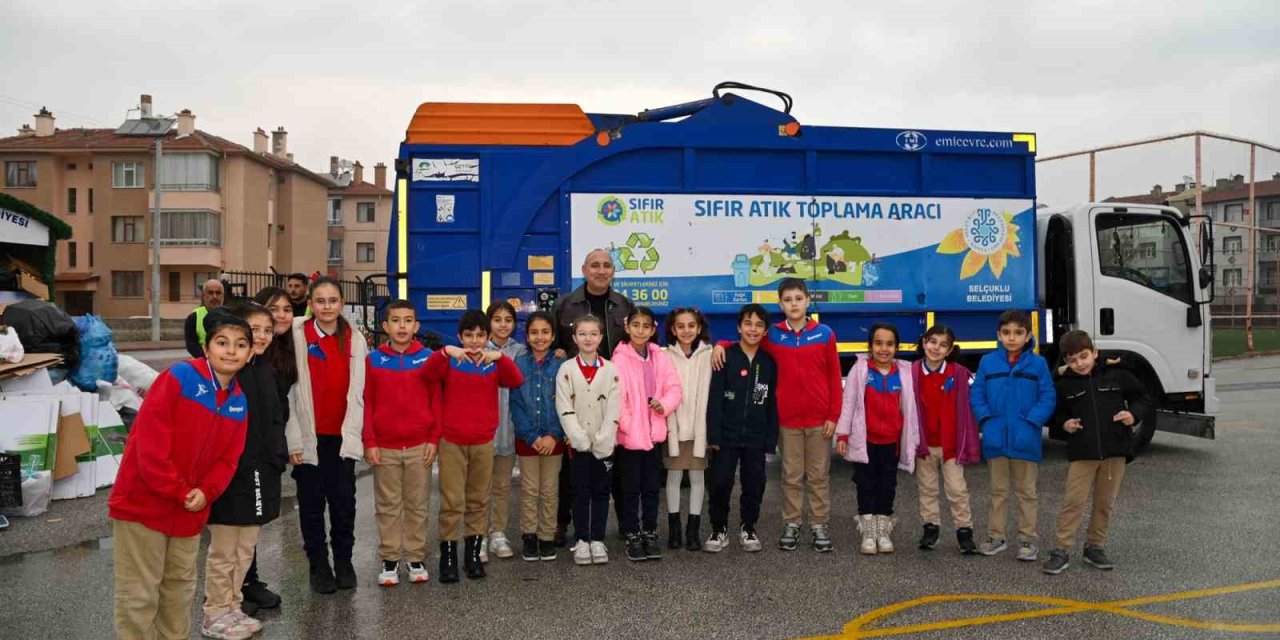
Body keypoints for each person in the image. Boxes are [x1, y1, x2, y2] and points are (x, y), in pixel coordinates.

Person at [109, 310, 251, 640]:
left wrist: (206, 491)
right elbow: (150, 443)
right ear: (206, 347)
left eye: (240, 344)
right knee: (139, 596)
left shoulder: (239, 401)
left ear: (250, 352)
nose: (231, 351)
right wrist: (178, 489)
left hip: (190, 512)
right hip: (142, 506)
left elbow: (229, 459)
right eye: (222, 342)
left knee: (178, 592)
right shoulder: (178, 378)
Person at [712, 277, 842, 552]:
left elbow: (834, 377)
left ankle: (819, 524)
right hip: (788, 421)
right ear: (780, 304)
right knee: (792, 476)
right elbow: (746, 341)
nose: (793, 304)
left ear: (808, 300)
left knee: (818, 476)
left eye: (798, 298)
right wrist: (720, 345)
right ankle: (792, 523)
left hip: (820, 420)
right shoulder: (773, 335)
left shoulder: (825, 334)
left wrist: (833, 415)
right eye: (787, 300)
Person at [201, 303, 288, 639]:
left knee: (245, 548)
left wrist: (276, 457)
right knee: (223, 550)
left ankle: (233, 607)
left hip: (260, 471)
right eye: (255, 331)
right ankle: (214, 612)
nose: (262, 336)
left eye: (268, 330)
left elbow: (274, 420)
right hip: (230, 474)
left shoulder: (265, 370)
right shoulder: (227, 374)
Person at [423, 310, 524, 582]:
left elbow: (515, 380)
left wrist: (500, 357)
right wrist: (446, 352)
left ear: (488, 337)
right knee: (452, 501)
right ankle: (448, 557)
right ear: (460, 336)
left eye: (480, 336)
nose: (475, 341)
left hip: (483, 441)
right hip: (452, 441)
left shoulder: (492, 364)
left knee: (479, 501)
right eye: (469, 335)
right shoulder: (450, 360)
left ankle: (472, 555)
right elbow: (426, 374)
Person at [1043, 330, 1151, 575]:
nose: (1079, 364)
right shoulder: (1063, 384)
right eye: (1072, 360)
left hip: (1115, 451)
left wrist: (1133, 415)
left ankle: (1095, 547)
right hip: (1083, 452)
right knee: (1073, 502)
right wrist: (1064, 424)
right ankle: (1062, 549)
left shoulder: (1118, 375)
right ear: (1065, 362)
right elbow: (1055, 413)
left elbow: (1143, 398)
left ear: (1094, 353)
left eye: (1084, 356)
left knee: (1104, 503)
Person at [285, 277, 368, 594]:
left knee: (344, 504)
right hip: (309, 438)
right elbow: (291, 394)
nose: (326, 306)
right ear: (311, 303)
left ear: (342, 303)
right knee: (311, 506)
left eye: (332, 300)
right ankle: (319, 567)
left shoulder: (355, 339)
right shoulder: (296, 335)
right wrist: (293, 439)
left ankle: (344, 562)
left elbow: (359, 393)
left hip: (341, 439)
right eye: (320, 301)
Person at [550, 249, 636, 546]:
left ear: (614, 271)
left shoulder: (625, 305)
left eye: (607, 266)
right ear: (584, 269)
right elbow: (552, 345)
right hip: (576, 396)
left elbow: (638, 346)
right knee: (570, 471)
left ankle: (626, 524)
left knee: (617, 466)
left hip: (612, 395)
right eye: (595, 265)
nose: (601, 270)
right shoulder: (565, 305)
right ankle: (563, 523)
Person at [363, 300, 439, 587]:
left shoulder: (429, 358)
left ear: (416, 326)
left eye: (408, 320)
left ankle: (415, 557)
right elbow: (367, 403)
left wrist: (434, 438)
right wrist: (370, 441)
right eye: (396, 320)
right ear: (385, 326)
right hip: (385, 447)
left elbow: (437, 401)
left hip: (420, 445)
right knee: (388, 505)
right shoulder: (373, 360)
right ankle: (390, 558)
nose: (402, 326)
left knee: (418, 504)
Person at [971, 309, 1056, 561]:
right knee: (997, 492)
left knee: (1026, 493)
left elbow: (1048, 396)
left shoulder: (1038, 364)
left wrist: (1032, 421)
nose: (1012, 338)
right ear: (998, 334)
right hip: (996, 438)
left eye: (1018, 333)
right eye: (1006, 333)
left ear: (1028, 334)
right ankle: (996, 536)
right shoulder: (988, 362)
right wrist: (986, 419)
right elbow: (977, 394)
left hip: (1025, 439)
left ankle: (1027, 539)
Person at [236, 287, 298, 613]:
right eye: (273, 309)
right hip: (245, 452)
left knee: (253, 521)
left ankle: (249, 581)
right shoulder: (244, 357)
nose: (280, 315)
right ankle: (235, 591)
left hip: (268, 447)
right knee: (238, 524)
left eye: (287, 309)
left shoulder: (285, 348)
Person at [835, 323, 920, 555]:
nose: (884, 348)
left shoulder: (903, 372)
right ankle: (869, 531)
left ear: (897, 347)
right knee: (865, 484)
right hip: (865, 441)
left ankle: (883, 530)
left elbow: (910, 410)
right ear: (870, 346)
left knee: (887, 485)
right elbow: (849, 403)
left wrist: (913, 439)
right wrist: (842, 434)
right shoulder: (860, 369)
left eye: (890, 344)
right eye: (879, 343)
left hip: (891, 442)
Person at [704, 304, 778, 553]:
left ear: (765, 330)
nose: (753, 329)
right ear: (739, 327)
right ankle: (718, 528)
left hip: (755, 437)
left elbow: (768, 401)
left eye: (759, 325)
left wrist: (770, 438)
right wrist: (713, 434)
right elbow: (714, 399)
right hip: (725, 436)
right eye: (748, 323)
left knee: (754, 483)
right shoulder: (725, 356)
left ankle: (748, 527)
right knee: (720, 483)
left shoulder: (768, 363)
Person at [611, 306, 682, 562]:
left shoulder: (660, 357)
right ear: (627, 327)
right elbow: (617, 398)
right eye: (636, 325)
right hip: (630, 438)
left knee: (652, 489)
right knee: (630, 489)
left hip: (654, 437)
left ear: (653, 330)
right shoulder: (619, 358)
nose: (641, 331)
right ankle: (631, 533)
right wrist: (628, 425)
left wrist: (663, 405)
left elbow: (673, 387)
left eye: (646, 326)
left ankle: (649, 532)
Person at [556, 314, 621, 566]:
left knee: (602, 492)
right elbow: (563, 406)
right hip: (578, 445)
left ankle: (597, 539)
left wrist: (604, 439)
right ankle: (582, 539)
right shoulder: (566, 370)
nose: (588, 338)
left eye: (593, 333)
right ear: (574, 338)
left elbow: (615, 407)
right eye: (582, 333)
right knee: (580, 491)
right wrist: (579, 438)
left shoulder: (611, 369)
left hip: (604, 445)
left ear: (601, 338)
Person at [911, 325, 981, 554]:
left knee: (957, 489)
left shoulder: (959, 372)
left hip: (951, 444)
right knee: (927, 488)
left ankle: (964, 531)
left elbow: (974, 400)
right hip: (924, 444)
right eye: (932, 342)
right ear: (923, 343)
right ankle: (930, 528)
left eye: (943, 345)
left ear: (950, 349)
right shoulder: (912, 372)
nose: (936, 348)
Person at [510, 312, 566, 562]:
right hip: (527, 440)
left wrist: (554, 434)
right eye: (534, 333)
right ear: (527, 336)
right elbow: (516, 405)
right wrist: (532, 435)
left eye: (545, 332)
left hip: (554, 439)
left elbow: (567, 403)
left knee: (550, 490)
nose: (540, 337)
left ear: (553, 336)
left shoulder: (562, 365)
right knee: (530, 489)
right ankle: (529, 536)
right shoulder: (519, 365)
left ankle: (546, 536)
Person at [663, 307, 713, 551]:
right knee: (673, 476)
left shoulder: (709, 354)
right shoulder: (663, 355)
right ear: (673, 329)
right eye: (680, 326)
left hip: (698, 426)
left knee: (697, 477)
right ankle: (674, 528)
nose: (686, 330)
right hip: (673, 426)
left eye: (691, 325)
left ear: (699, 328)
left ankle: (693, 529)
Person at [483, 301, 527, 561]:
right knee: (478, 488)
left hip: (508, 430)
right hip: (482, 431)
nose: (502, 324)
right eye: (497, 319)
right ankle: (477, 535)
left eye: (507, 319)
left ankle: (497, 533)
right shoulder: (475, 350)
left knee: (501, 486)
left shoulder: (521, 352)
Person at [184, 278, 225, 358]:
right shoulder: (193, 317)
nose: (214, 296)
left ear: (223, 296)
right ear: (203, 295)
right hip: (203, 362)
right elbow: (191, 344)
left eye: (218, 293)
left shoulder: (232, 316)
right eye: (210, 293)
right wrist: (209, 358)